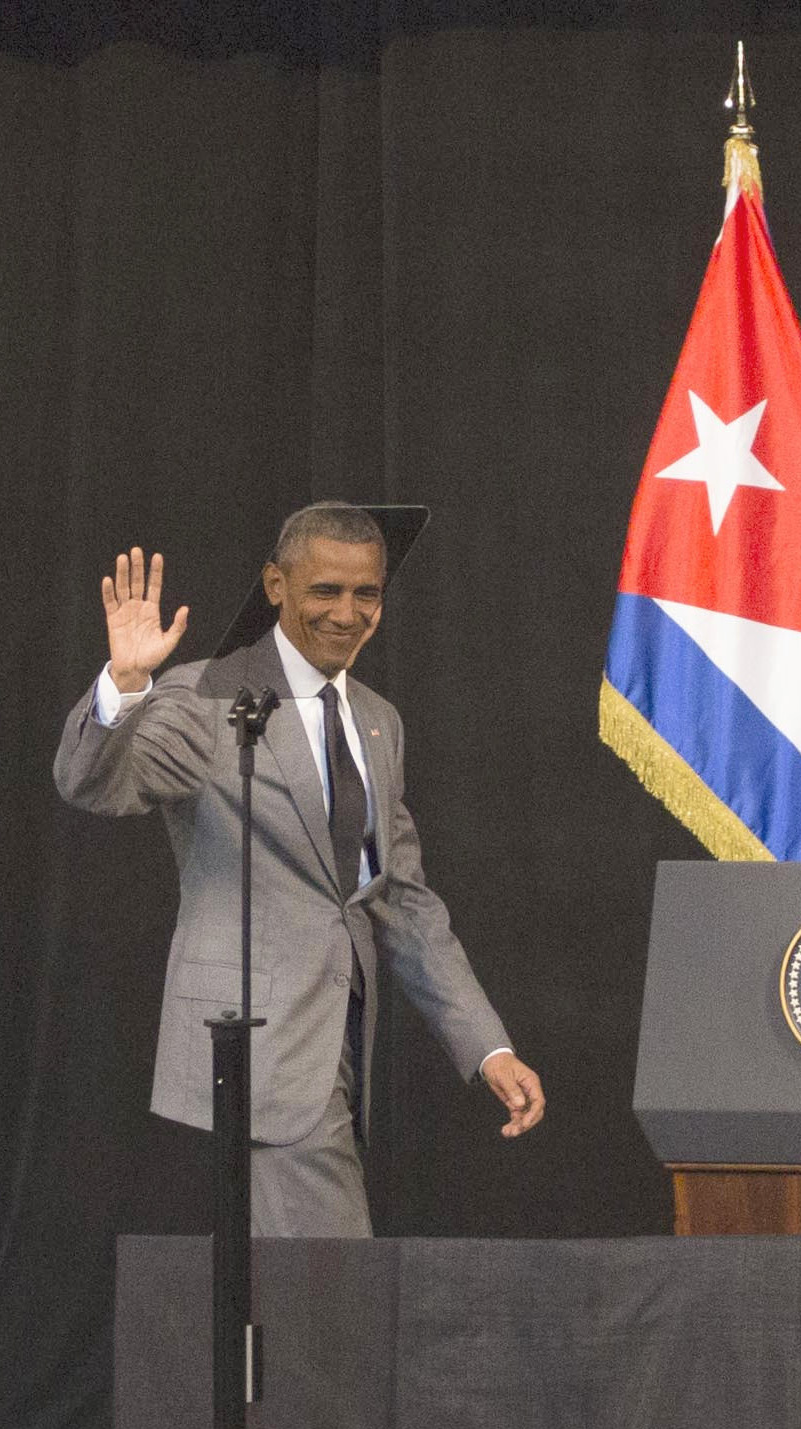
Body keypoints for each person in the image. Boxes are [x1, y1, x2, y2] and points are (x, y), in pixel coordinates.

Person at [54, 501, 546, 1236]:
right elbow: (96, 783)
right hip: (255, 1039)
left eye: (366, 593)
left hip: (341, 1042)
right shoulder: (209, 694)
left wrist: (486, 1043)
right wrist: (123, 686)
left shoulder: (378, 719)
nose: (348, 613)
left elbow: (400, 897)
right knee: (328, 1282)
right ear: (276, 585)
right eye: (324, 591)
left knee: (293, 1293)